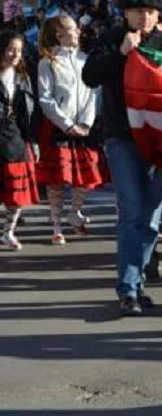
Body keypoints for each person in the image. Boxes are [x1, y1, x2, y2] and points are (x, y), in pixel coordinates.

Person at [82, 0, 162, 316]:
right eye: (137, 11)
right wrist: (121, 54)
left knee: (152, 220)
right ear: (126, 14)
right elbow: (90, 76)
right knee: (132, 212)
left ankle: (137, 283)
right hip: (121, 137)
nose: (144, 17)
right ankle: (127, 290)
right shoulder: (111, 37)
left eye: (151, 12)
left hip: (159, 142)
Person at [36, 15, 103, 245]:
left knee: (85, 175)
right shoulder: (49, 61)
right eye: (73, 29)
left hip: (84, 127)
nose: (78, 32)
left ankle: (75, 212)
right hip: (57, 126)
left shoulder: (86, 60)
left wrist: (86, 123)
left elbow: (93, 93)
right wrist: (67, 125)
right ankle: (56, 224)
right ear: (59, 34)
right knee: (57, 179)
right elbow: (45, 99)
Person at [0, 31, 39, 251]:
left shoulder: (22, 76)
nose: (15, 54)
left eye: (19, 50)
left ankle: (8, 232)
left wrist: (31, 141)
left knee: (16, 193)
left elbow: (29, 112)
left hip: (15, 138)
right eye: (11, 49)